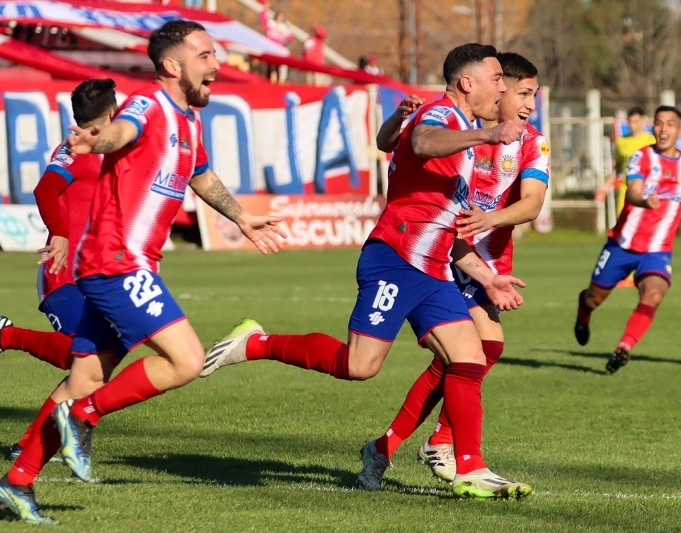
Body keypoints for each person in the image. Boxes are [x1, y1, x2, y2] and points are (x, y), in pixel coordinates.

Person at [200, 43, 533, 500]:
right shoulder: (442, 117)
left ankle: (470, 468)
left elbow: (440, 217)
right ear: (467, 83)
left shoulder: (463, 128)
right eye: (497, 78)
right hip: (396, 260)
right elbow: (420, 142)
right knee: (359, 366)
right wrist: (488, 137)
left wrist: (485, 274)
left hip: (434, 269)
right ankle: (256, 343)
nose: (503, 87)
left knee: (470, 359)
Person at [0, 20, 286, 525]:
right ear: (173, 65)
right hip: (116, 260)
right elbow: (122, 132)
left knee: (83, 377)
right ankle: (84, 418)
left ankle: (17, 481)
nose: (217, 65)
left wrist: (240, 216)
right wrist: (98, 142)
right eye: (206, 55)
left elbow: (202, 175)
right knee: (188, 359)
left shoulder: (190, 122)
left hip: (128, 262)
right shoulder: (148, 105)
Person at [359, 52, 550, 485]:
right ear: (492, 90)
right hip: (439, 250)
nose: (527, 103)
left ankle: (397, 446)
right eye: (521, 92)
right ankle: (445, 448)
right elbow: (396, 143)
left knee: (477, 354)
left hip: (485, 255)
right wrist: (396, 120)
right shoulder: (449, 121)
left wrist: (492, 220)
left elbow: (533, 203)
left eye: (531, 95)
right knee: (468, 355)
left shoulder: (531, 141)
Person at [0, 78, 119, 463]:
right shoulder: (77, 151)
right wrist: (61, 235)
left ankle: (31, 442)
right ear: (112, 114)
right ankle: (9, 336)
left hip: (98, 274)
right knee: (83, 357)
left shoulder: (112, 152)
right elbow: (45, 190)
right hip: (62, 270)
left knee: (99, 359)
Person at [574, 105, 681, 374]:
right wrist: (645, 200)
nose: (663, 129)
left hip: (657, 250)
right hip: (622, 244)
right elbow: (633, 190)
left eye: (670, 124)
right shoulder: (642, 157)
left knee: (654, 294)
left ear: (680, 130)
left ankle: (624, 347)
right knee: (594, 298)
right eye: (659, 123)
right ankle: (583, 312)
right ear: (653, 128)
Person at [596, 107, 656, 288]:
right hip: (626, 193)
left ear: (643, 122)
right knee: (624, 232)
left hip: (646, 193)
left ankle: (645, 271)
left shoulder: (651, 141)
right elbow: (617, 169)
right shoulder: (622, 143)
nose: (632, 125)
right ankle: (626, 275)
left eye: (636, 121)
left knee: (644, 232)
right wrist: (605, 188)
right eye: (630, 121)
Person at [259, 1, 292, 83]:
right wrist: (265, 7)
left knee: (277, 66)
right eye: (279, 16)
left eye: (281, 17)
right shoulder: (271, 24)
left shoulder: (284, 27)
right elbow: (263, 18)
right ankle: (267, 81)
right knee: (269, 66)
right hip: (270, 47)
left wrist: (284, 42)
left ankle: (277, 82)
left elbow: (290, 37)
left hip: (278, 49)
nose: (280, 18)